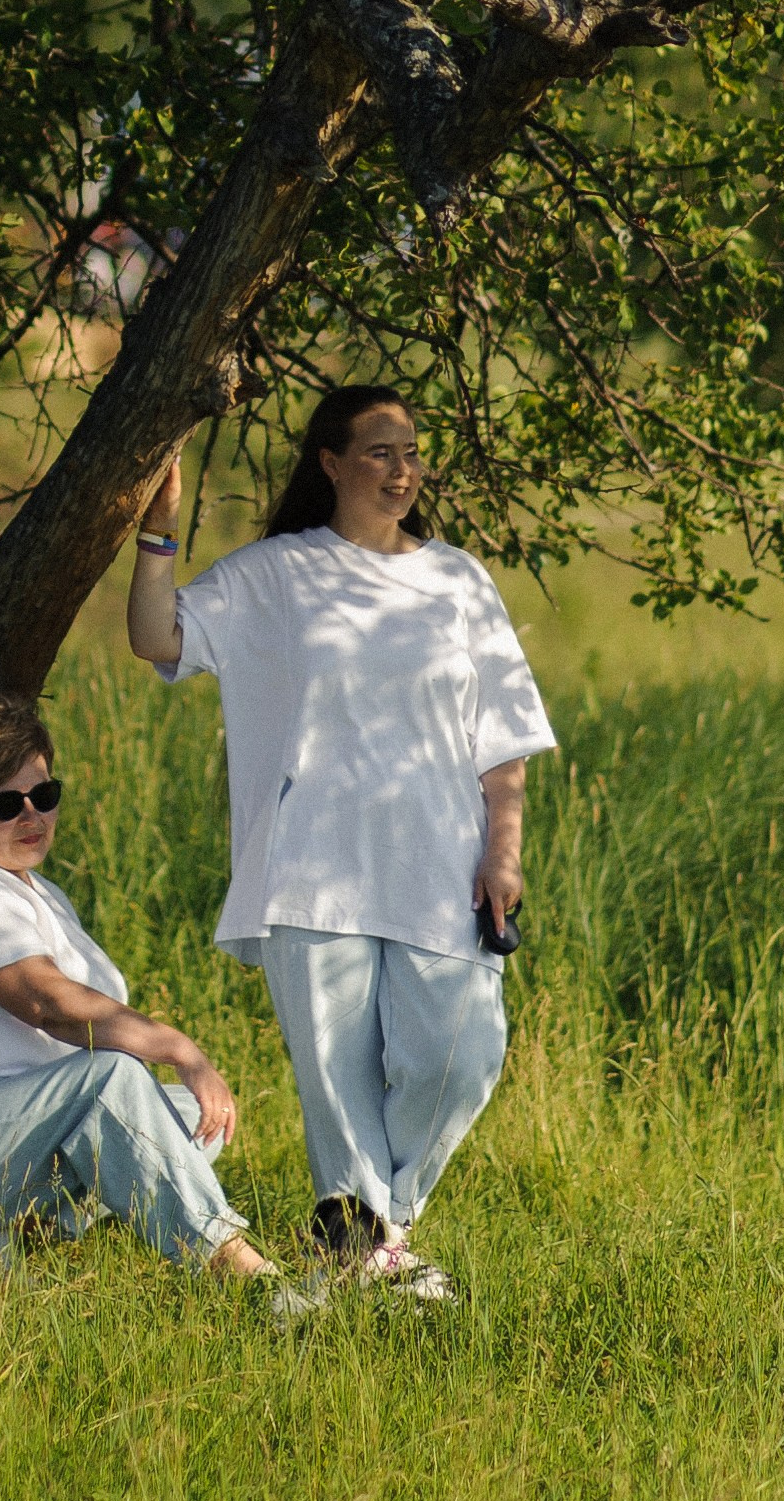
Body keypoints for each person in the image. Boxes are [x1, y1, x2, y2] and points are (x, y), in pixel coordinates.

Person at [127, 383, 556, 1301]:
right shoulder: (278, 573)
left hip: (441, 863)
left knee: (462, 1054)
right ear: (330, 462)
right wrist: (157, 535)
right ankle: (375, 1259)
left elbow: (505, 734)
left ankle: (368, 1228)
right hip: (312, 870)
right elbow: (156, 634)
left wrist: (504, 848)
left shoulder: (457, 577)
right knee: (339, 1081)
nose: (403, 470)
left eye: (411, 451)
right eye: (380, 452)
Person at [0, 690, 298, 1303]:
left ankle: (0, 1242)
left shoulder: (38, 894)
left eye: (44, 796)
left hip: (1, 1135)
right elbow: (52, 1006)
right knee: (115, 1078)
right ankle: (237, 1270)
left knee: (194, 1121)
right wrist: (183, 1049)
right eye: (7, 804)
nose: (31, 817)